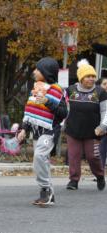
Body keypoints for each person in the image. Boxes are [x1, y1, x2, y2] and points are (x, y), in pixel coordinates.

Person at [17, 57, 68, 207]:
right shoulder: (36, 88)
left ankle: (46, 190)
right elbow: (31, 112)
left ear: (46, 72)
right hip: (36, 131)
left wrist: (47, 101)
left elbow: (63, 113)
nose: (34, 72)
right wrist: (23, 130)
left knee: (40, 157)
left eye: (38, 69)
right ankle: (46, 194)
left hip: (50, 130)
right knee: (40, 163)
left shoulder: (57, 90)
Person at [65, 59, 107, 191]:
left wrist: (103, 126)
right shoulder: (70, 90)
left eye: (93, 76)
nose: (91, 79)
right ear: (81, 77)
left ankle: (100, 176)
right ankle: (74, 180)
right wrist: (62, 123)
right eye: (88, 76)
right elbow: (65, 109)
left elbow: (105, 111)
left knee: (93, 156)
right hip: (73, 130)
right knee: (74, 156)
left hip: (93, 132)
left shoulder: (100, 92)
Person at [97, 76, 107, 169]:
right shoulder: (96, 97)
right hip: (102, 128)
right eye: (104, 84)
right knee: (101, 150)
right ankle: (100, 172)